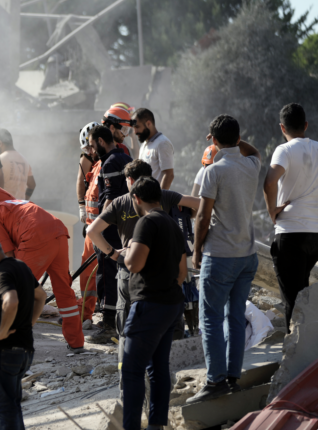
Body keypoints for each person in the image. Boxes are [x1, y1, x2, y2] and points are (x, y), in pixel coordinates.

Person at [88, 159, 198, 360]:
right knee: (166, 333)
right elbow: (199, 203)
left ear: (130, 180)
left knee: (129, 334)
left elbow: (92, 230)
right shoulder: (163, 198)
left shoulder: (121, 202)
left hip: (130, 272)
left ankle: (130, 372)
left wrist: (113, 254)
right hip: (164, 273)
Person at [190, 115, 261, 403]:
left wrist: (196, 250)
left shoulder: (213, 172)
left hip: (220, 256)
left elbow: (203, 216)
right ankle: (232, 378)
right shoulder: (251, 165)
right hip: (247, 256)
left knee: (210, 318)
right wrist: (232, 140)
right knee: (234, 317)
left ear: (213, 140)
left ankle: (215, 380)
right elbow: (255, 151)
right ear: (238, 137)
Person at [0, 194, 84, 350]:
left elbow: (8, 256)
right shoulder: (8, 205)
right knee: (63, 290)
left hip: (35, 236)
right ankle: (76, 343)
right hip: (58, 232)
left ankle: (11, 343)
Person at [120, 177, 186, 430]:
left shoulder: (146, 222)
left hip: (149, 305)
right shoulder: (172, 223)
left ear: (136, 198)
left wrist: (127, 254)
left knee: (132, 370)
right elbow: (182, 273)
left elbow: (135, 264)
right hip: (171, 305)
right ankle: (156, 425)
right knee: (158, 370)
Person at [0, 234, 46, 430]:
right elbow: (41, 296)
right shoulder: (20, 266)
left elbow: (11, 301)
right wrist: (29, 324)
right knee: (12, 407)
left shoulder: (1, 272)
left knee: (4, 409)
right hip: (23, 352)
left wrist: (2, 332)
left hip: (5, 353)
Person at [263, 103, 318, 330]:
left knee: (293, 302)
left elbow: (269, 181)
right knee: (305, 297)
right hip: (315, 233)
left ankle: (296, 361)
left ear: (281, 127)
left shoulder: (284, 150)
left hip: (291, 233)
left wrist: (272, 210)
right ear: (305, 125)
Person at [88, 125, 132, 342]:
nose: (92, 149)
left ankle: (109, 327)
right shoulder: (125, 158)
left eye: (92, 144)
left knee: (107, 275)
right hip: (124, 227)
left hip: (111, 230)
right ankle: (119, 322)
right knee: (119, 275)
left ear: (101, 141)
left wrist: (99, 229)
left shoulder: (111, 162)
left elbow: (110, 199)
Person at [77, 122, 103, 328]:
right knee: (87, 272)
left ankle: (93, 313)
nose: (89, 152)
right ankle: (85, 313)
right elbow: (82, 185)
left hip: (101, 228)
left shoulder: (106, 164)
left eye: (90, 148)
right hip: (92, 226)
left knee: (99, 273)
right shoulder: (93, 164)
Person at [0, 128, 36, 201]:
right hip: (20, 207)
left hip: (5, 206)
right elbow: (32, 185)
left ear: (0, 143)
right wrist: (25, 200)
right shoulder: (24, 160)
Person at [133, 108, 174, 189]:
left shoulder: (162, 143)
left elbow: (169, 175)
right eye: (134, 128)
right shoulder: (145, 144)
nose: (135, 132)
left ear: (148, 124)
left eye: (137, 127)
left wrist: (159, 200)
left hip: (155, 200)